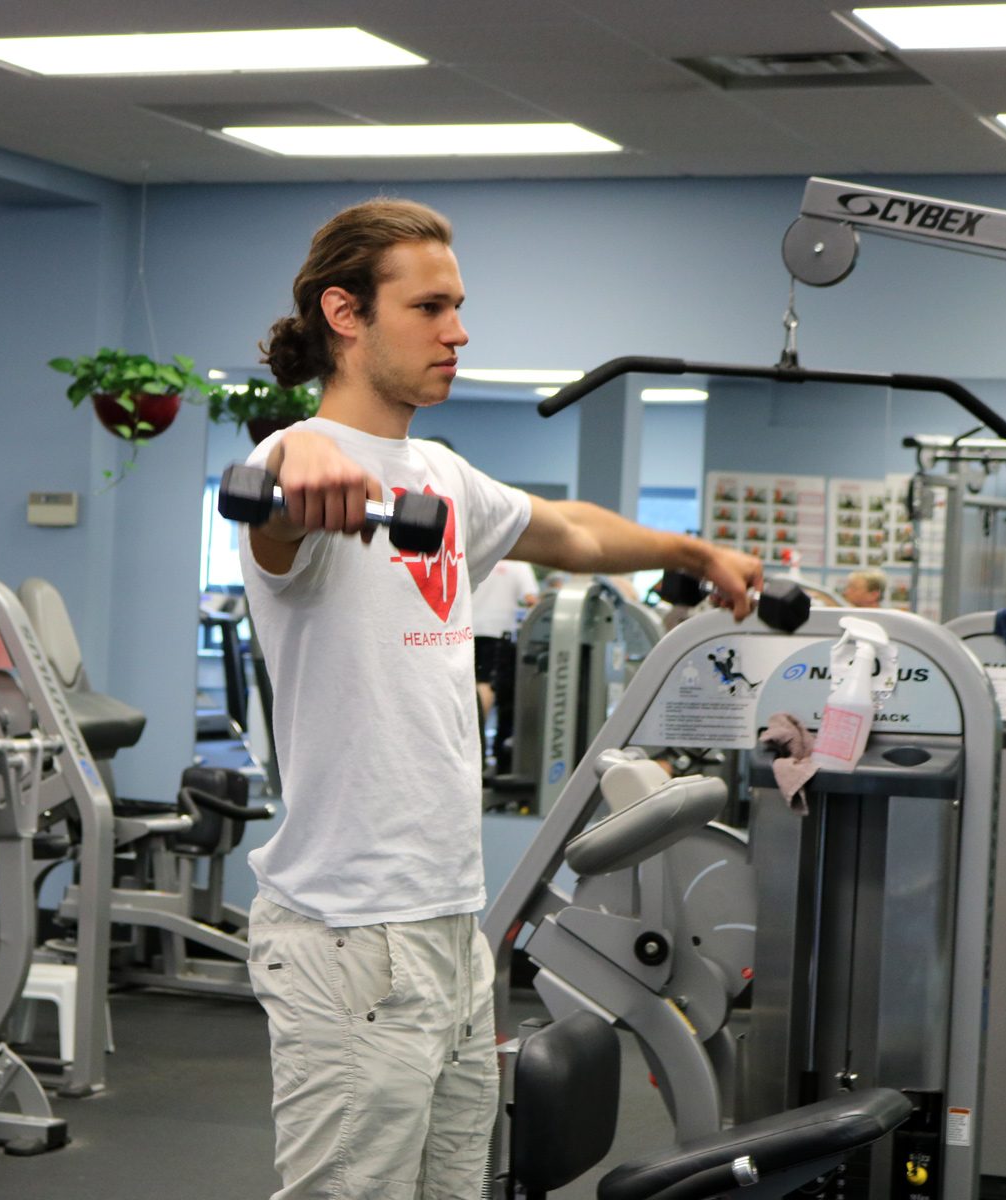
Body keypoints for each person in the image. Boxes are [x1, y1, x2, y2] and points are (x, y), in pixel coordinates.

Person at [235, 199, 761, 1200]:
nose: (459, 331)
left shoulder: (436, 472)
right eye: (431, 306)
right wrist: (299, 454)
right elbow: (279, 509)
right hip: (352, 934)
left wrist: (690, 551)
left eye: (460, 306)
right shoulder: (292, 467)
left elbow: (566, 531)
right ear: (345, 314)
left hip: (446, 921)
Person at [470, 559, 537, 772]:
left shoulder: (478, 551)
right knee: (486, 685)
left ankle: (470, 745)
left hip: (466, 628)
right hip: (497, 631)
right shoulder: (520, 564)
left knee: (470, 684)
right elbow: (531, 600)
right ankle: (475, 749)